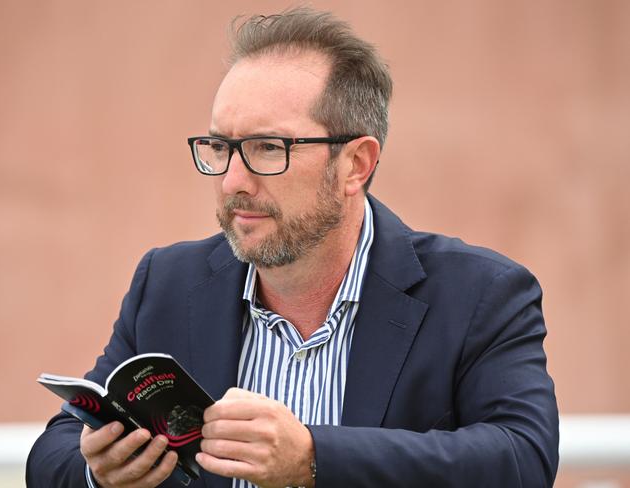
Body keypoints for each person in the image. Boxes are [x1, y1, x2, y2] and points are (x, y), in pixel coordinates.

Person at [27, 7, 559, 488]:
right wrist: (99, 471)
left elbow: (521, 459)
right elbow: (52, 455)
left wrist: (314, 457)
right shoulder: (168, 282)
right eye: (220, 146)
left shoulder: (479, 293)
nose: (233, 179)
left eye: (267, 147)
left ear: (356, 164)